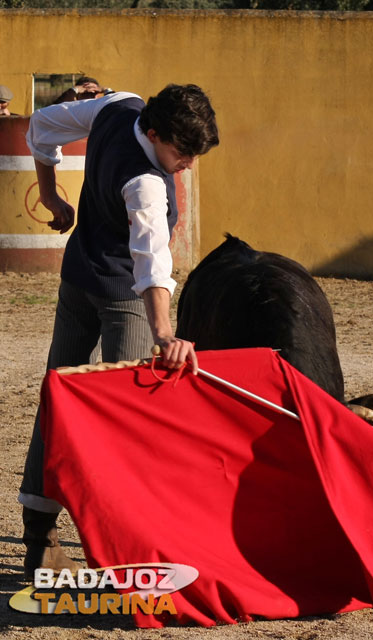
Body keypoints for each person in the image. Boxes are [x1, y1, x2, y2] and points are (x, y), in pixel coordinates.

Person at [19, 84, 219, 578]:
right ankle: (124, 546)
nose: (189, 165)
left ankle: (39, 538)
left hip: (77, 279)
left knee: (59, 399)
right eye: (183, 152)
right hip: (123, 300)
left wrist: (50, 195)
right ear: (154, 134)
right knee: (125, 417)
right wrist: (165, 333)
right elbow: (152, 266)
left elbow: (42, 125)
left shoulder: (118, 105)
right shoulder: (147, 184)